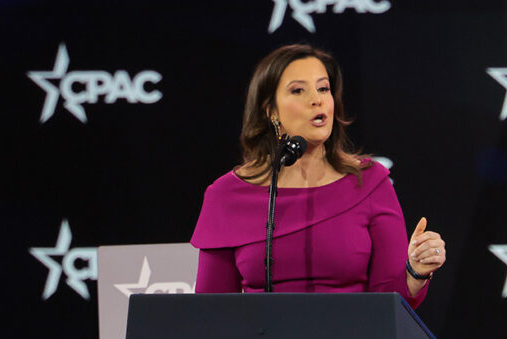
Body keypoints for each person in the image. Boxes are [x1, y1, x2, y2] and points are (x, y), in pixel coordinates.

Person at [190, 44, 445, 308]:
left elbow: (390, 303)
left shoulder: (368, 182)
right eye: (298, 90)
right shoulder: (226, 196)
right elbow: (212, 313)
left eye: (323, 88)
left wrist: (416, 271)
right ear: (270, 110)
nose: (317, 99)